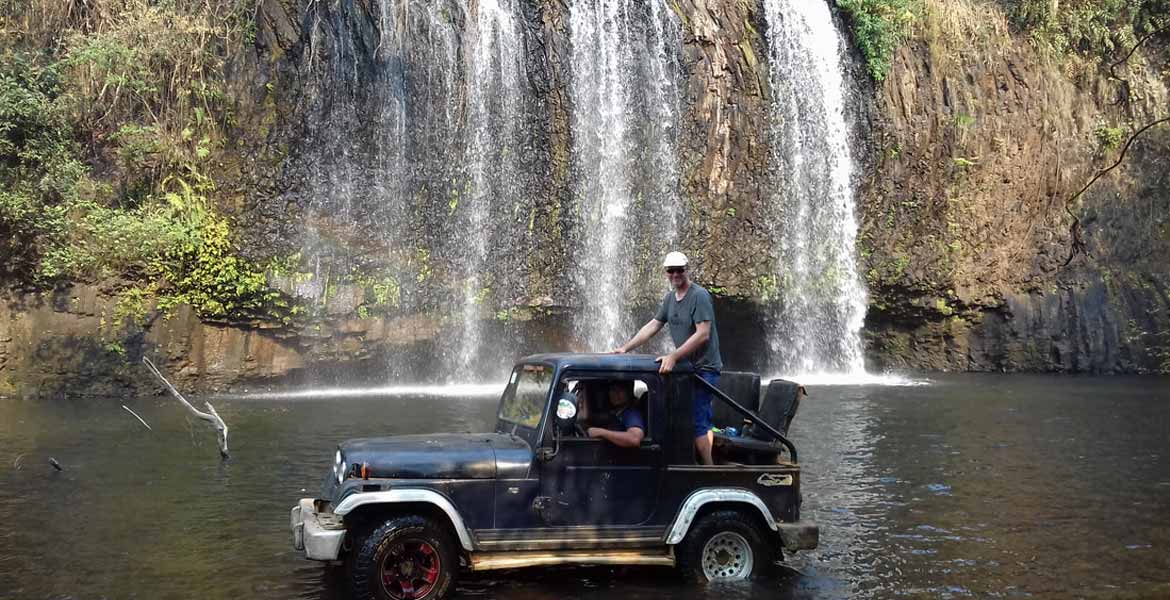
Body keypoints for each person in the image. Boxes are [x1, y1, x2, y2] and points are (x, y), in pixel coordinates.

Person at [612, 251, 722, 465]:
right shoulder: (670, 298)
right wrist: (625, 347)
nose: (675, 275)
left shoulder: (699, 296)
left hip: (704, 369)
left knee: (699, 421)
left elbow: (703, 334)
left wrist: (673, 356)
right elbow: (653, 325)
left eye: (679, 270)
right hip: (687, 368)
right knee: (677, 415)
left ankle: (709, 470)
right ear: (666, 273)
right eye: (671, 271)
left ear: (687, 269)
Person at [586, 381, 646, 448]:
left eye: (620, 390)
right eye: (612, 389)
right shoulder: (617, 412)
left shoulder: (631, 414)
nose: (615, 393)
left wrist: (601, 432)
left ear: (629, 392)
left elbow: (635, 438)